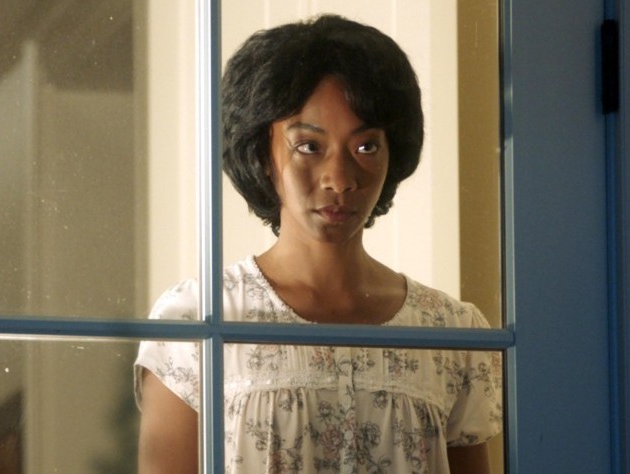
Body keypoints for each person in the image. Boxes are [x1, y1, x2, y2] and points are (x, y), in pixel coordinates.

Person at [135, 14, 502, 474]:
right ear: (261, 152)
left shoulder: (450, 332)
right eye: (309, 146)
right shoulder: (197, 320)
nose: (339, 179)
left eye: (366, 147)